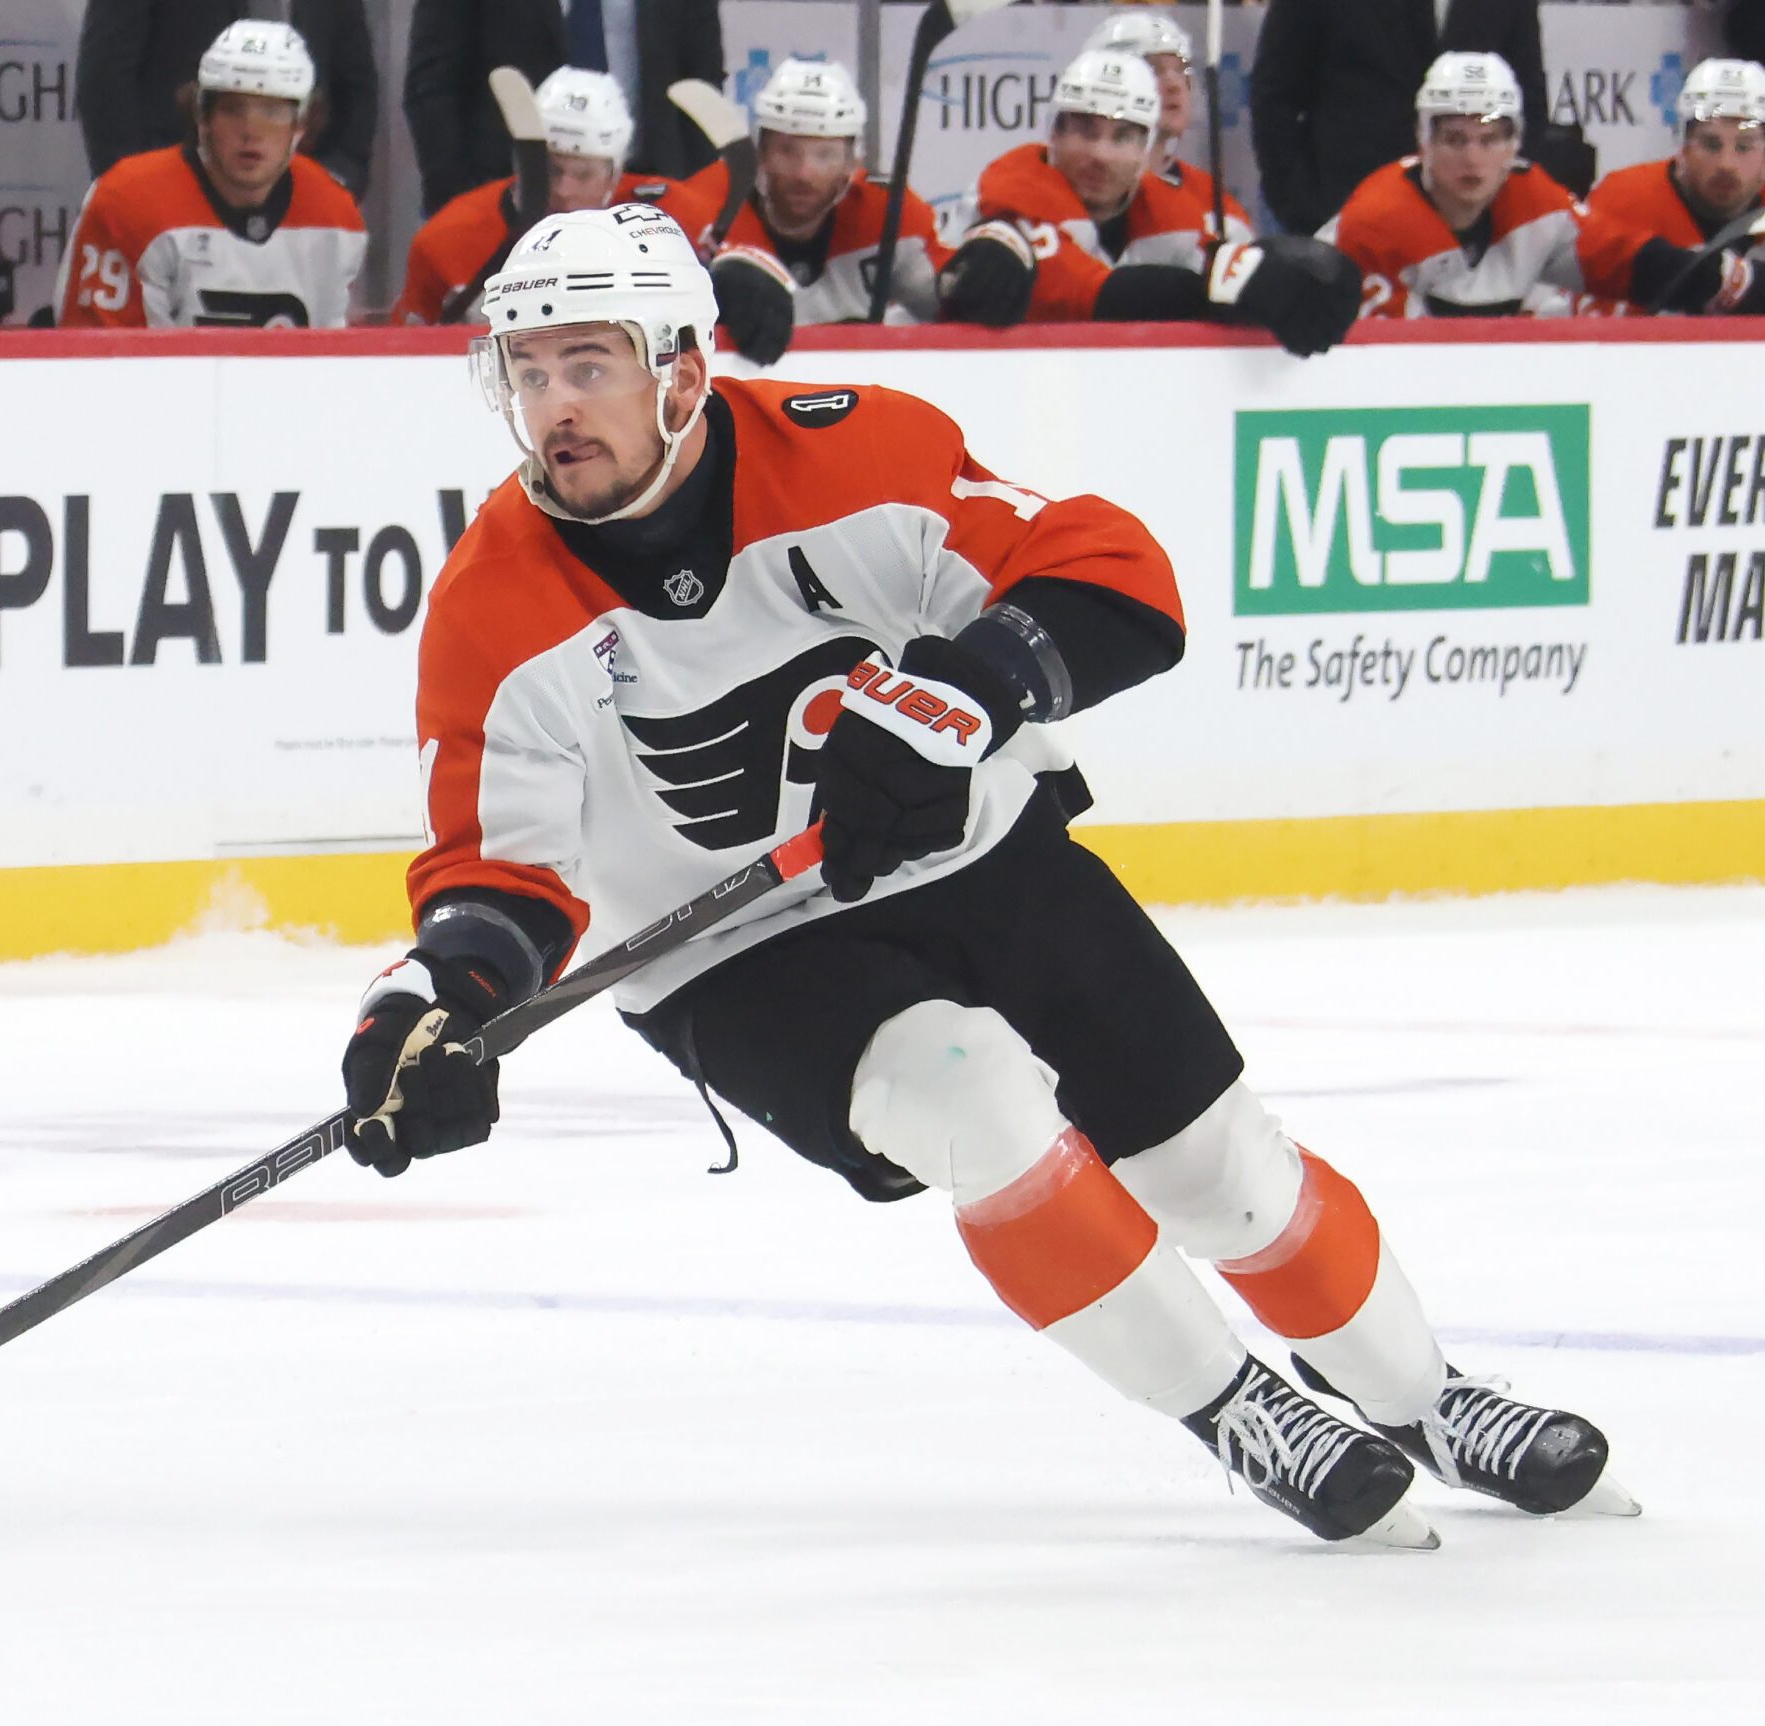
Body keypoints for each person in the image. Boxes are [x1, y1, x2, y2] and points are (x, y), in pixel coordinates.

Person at [336, 203, 1637, 1547]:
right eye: (530, 371)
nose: (554, 405)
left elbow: (1116, 573)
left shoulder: (858, 451)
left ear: (680, 367)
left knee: (1216, 1165)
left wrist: (966, 686)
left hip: (969, 852)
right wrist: (433, 995)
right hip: (731, 952)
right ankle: (1233, 1401)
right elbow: (501, 875)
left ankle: (1422, 1392)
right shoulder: (493, 600)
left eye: (588, 364)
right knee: (973, 1098)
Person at [946, 50, 1357, 354]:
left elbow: (1215, 271)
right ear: (1053, 133)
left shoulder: (1169, 209)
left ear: (1147, 148)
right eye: (1085, 131)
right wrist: (1227, 284)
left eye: (1122, 136)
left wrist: (1286, 277)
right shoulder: (1013, 190)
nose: (1101, 154)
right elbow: (1093, 297)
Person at [391, 66, 792, 363]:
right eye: (551, 169)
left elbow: (742, 260)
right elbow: (395, 354)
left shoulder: (667, 216)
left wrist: (743, 277)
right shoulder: (450, 236)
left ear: (615, 173)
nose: (565, 190)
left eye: (584, 174)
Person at [58, 20, 366, 329]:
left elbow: (330, 362)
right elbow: (102, 364)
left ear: (301, 123)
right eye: (233, 109)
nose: (251, 131)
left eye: (272, 111)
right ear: (202, 115)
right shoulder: (126, 202)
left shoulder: (335, 215)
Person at [675, 56, 966, 326]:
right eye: (787, 151)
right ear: (760, 153)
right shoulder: (705, 207)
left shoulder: (891, 216)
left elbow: (954, 312)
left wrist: (978, 286)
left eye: (824, 155)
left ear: (853, 163)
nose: (804, 173)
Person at [1320, 52, 1597, 319]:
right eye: (1454, 140)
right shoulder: (1373, 221)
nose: (1472, 159)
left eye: (1488, 140)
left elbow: (1612, 265)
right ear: (1424, 142)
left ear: (1514, 146)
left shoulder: (1540, 201)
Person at [1251, 0, 1552, 240]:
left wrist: (1503, 209)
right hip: (1345, 219)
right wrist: (1302, 209)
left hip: (1474, 235)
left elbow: (1528, 101)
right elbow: (1275, 95)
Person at [403, 0, 725, 215]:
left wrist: (691, 201)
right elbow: (432, 86)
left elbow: (701, 82)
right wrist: (465, 202)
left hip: (649, 197)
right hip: (508, 198)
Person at [76, 0, 380, 197]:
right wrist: (129, 188)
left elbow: (356, 79)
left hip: (304, 199)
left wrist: (342, 175)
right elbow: (106, 72)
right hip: (175, 191)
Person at [1577, 57, 1765, 317]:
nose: (1727, 164)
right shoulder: (1625, 200)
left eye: (1744, 147)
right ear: (1683, 145)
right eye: (1711, 145)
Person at [1080, 7, 1243, 221]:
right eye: (1153, 70)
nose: (1175, 85)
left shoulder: (1210, 198)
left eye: (1181, 70)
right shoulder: (1069, 188)